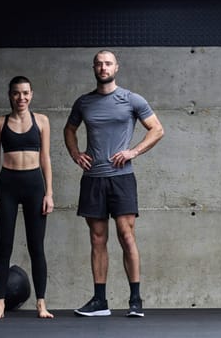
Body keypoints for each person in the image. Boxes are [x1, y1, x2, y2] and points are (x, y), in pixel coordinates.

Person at [64, 50, 164, 317]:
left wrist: (133, 152)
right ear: (94, 68)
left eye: (108, 63)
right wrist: (76, 154)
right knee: (97, 239)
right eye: (99, 64)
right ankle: (100, 302)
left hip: (121, 178)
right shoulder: (84, 102)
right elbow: (69, 129)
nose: (103, 67)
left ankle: (135, 300)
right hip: (93, 179)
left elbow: (157, 129)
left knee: (126, 235)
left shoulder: (131, 99)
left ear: (116, 67)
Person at [0, 76, 54, 319]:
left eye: (25, 93)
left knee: (37, 248)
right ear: (10, 95)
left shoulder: (42, 121)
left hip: (34, 186)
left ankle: (41, 304)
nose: (21, 98)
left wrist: (49, 193)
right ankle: (0, 304)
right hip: (7, 187)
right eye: (16, 93)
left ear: (32, 94)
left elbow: (45, 158)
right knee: (4, 248)